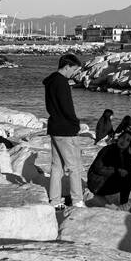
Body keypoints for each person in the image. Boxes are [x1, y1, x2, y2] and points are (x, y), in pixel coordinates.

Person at [43, 53, 85, 207]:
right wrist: (75, 123)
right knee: (74, 166)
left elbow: (50, 106)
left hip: (54, 127)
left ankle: (54, 201)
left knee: (57, 166)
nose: (74, 73)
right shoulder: (62, 83)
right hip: (66, 129)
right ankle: (77, 200)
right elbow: (67, 107)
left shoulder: (51, 81)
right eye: (74, 70)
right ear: (67, 67)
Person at [87, 129, 131, 205]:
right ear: (119, 138)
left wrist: (129, 157)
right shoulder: (107, 150)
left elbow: (128, 172)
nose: (124, 141)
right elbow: (97, 168)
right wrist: (116, 170)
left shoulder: (125, 153)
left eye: (128, 140)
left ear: (129, 144)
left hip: (108, 182)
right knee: (130, 178)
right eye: (123, 137)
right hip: (97, 184)